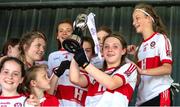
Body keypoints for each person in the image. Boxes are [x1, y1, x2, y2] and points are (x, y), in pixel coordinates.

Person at [70, 33, 137, 107]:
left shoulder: (129, 67)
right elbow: (75, 79)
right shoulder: (96, 72)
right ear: (102, 51)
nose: (110, 50)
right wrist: (75, 52)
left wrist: (85, 63)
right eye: (106, 47)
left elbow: (112, 84)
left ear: (123, 51)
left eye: (115, 47)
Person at [132, 3, 173, 106]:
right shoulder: (140, 47)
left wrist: (142, 71)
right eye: (133, 20)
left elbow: (167, 68)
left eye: (137, 18)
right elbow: (138, 80)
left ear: (148, 18)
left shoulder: (161, 38)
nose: (134, 23)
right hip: (142, 100)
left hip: (159, 94)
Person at [48, 19, 87, 106]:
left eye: (68, 31)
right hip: (59, 102)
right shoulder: (52, 56)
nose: (64, 33)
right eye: (61, 31)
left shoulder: (82, 53)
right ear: (57, 36)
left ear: (74, 35)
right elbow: (49, 83)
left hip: (79, 101)